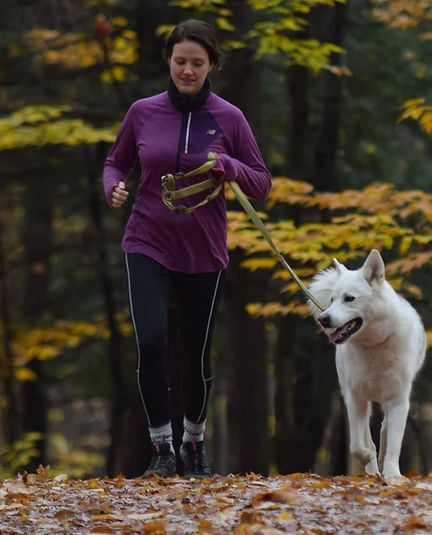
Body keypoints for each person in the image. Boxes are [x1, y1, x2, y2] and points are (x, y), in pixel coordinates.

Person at [103, 19, 272, 478]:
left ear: (211, 65)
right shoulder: (143, 111)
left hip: (203, 251)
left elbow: (262, 184)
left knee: (194, 354)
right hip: (147, 242)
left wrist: (229, 165)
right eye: (181, 61)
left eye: (198, 63)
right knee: (153, 343)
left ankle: (193, 444)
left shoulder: (229, 117)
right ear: (169, 61)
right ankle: (161, 449)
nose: (188, 71)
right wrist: (114, 187)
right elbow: (116, 162)